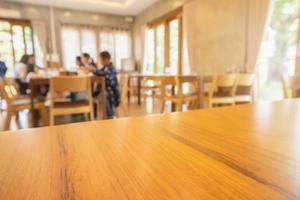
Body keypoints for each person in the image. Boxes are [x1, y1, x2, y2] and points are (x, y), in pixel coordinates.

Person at [84, 51, 120, 119]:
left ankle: (110, 116)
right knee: (91, 94)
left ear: (106, 59)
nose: (100, 61)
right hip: (103, 91)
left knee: (104, 94)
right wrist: (93, 71)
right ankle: (92, 116)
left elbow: (107, 76)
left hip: (112, 93)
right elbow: (100, 73)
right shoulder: (103, 69)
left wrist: (95, 70)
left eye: (101, 59)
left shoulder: (112, 69)